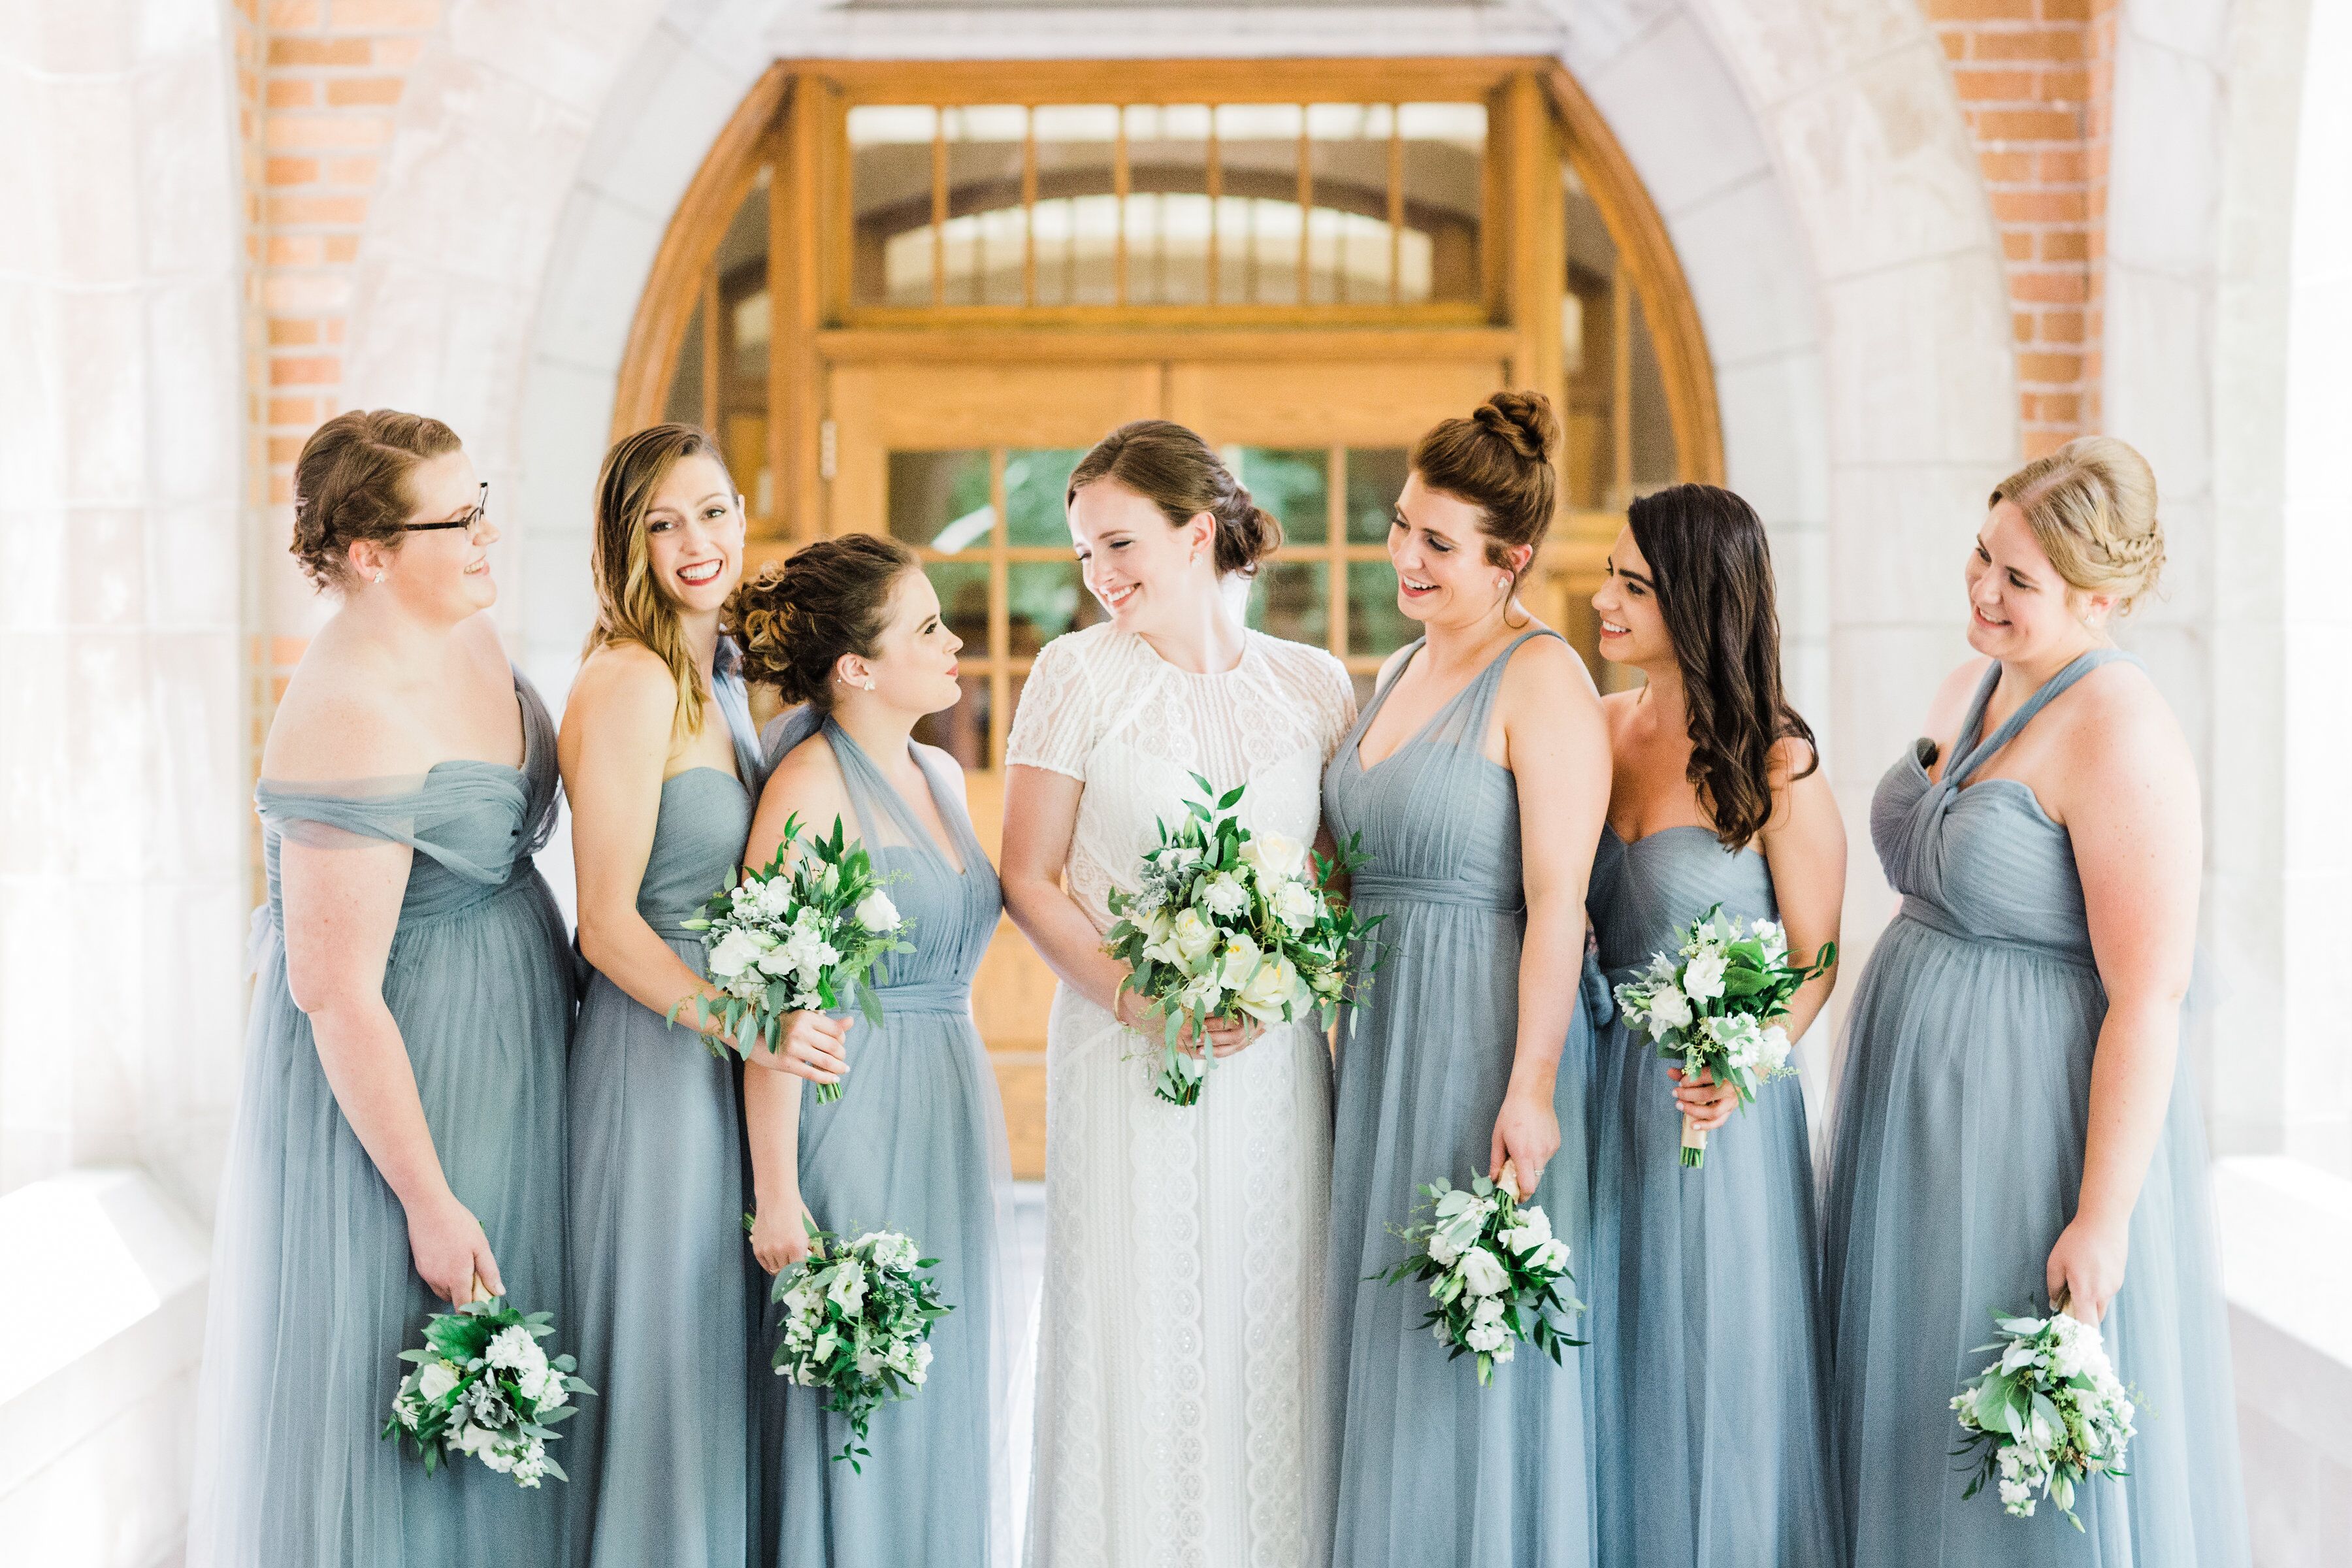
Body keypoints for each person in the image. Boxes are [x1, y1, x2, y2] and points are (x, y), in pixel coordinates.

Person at [1821, 437, 2249, 1566]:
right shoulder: (1973, 683)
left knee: (1996, 1428)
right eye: (1982, 554)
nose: (1982, 589)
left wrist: (2101, 1218)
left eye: (2019, 580)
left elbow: (2150, 995)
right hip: (1910, 1122)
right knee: (1909, 1400)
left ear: (2101, 597)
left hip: (2020, 1131)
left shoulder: (2123, 730)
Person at [188, 410, 572, 1565]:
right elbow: (333, 992)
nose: (487, 532)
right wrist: (426, 1199)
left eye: (481, 498)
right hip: (412, 1085)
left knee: (529, 1378)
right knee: (423, 1385)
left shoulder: (463, 625)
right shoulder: (345, 712)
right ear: (369, 553)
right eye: (458, 518)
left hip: (518, 1037)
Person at [1001, 420, 1355, 1567]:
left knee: (1271, 1315)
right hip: (1125, 1051)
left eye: (1119, 544)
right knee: (1138, 1317)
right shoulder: (1074, 675)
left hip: (1272, 1059)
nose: (1100, 576)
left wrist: (1288, 969)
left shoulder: (1315, 685)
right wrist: (1137, 1002)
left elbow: (1337, 883)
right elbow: (1029, 875)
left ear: (1198, 533)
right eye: (1085, 553)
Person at [1314, 390, 1610, 1568]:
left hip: (1483, 1033)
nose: (1405, 556)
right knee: (1386, 1326)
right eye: (1402, 527)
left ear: (1512, 560)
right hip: (1378, 1035)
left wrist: (1530, 1083)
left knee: (1461, 1333)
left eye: (1439, 543)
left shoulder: (1544, 681)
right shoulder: (1392, 672)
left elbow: (1560, 905)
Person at [559, 424, 839, 1568]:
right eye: (663, 521)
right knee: (669, 1370)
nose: (696, 542)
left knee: (719, 1365)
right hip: (656, 1057)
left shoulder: (718, 677)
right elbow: (607, 922)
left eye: (715, 510)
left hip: (725, 1050)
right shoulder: (627, 683)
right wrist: (749, 1028)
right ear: (627, 542)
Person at [737, 534, 1022, 1566]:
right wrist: (777, 1188)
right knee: (861, 1386)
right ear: (856, 667)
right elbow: (775, 999)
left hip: (946, 1098)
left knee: (936, 1377)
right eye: (930, 628)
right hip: (849, 1114)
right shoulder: (808, 788)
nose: (956, 644)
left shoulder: (940, 771)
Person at [1584, 482, 1846, 1567]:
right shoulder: (1596, 729)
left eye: (1631, 585)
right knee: (1615, 1357)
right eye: (1608, 572)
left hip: (1716, 1108)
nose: (1602, 599)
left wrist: (1748, 1061)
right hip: (1601, 1086)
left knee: (1715, 1372)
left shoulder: (1776, 761)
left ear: (1696, 600)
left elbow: (1817, 957)